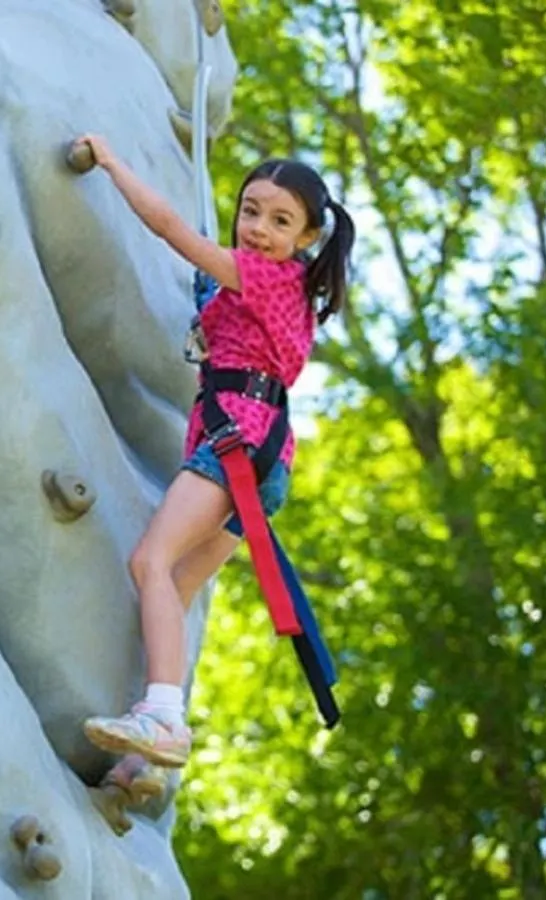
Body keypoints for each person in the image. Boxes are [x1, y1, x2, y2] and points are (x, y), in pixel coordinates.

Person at [73, 134, 356, 768]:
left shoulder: (269, 277)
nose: (258, 229)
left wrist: (114, 162)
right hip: (259, 454)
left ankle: (164, 720)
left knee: (149, 562)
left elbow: (171, 229)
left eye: (280, 221)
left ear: (307, 237)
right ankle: (142, 763)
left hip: (235, 444)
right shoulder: (276, 290)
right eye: (251, 211)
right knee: (172, 586)